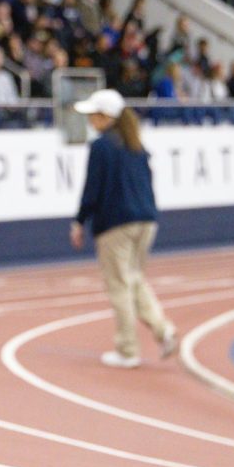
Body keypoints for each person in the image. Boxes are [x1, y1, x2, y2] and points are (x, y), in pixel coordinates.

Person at [70, 89, 177, 368]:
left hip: (116, 225)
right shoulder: (136, 144)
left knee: (119, 286)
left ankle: (127, 350)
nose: (91, 120)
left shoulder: (102, 147)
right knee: (134, 278)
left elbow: (92, 190)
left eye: (93, 114)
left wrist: (80, 220)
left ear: (105, 117)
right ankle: (162, 328)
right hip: (146, 220)